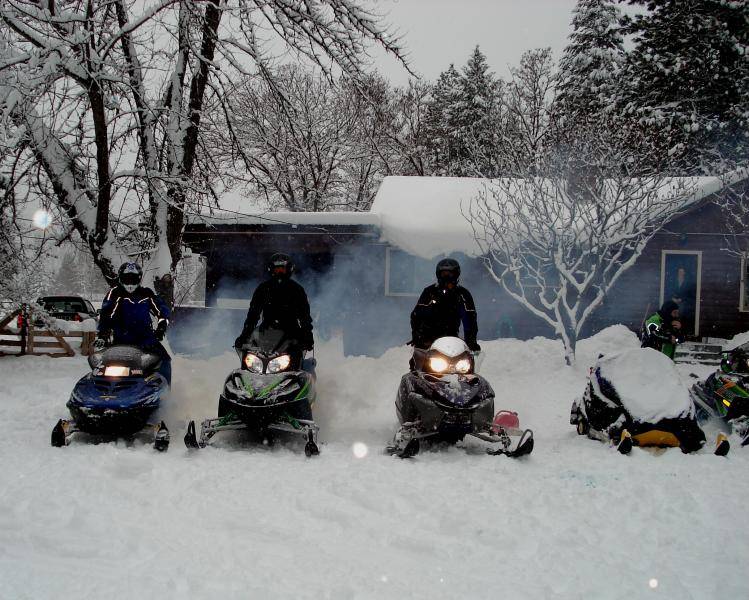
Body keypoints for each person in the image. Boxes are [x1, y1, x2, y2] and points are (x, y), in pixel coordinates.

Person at [96, 262, 171, 382]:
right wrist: (102, 335)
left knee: (164, 360)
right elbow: (106, 315)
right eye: (127, 278)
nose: (130, 282)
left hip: (147, 339)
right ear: (121, 278)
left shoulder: (146, 293)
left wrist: (161, 327)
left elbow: (162, 309)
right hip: (121, 341)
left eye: (133, 278)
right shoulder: (114, 294)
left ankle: (166, 390)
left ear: (139, 278)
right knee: (105, 366)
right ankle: (104, 392)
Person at [234, 253, 314, 365]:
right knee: (249, 356)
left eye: (282, 270)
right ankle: (247, 375)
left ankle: (296, 377)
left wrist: (307, 336)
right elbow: (253, 315)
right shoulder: (263, 289)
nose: (280, 273)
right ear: (271, 270)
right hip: (266, 332)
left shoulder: (296, 290)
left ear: (289, 270)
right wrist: (244, 335)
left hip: (291, 333)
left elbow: (304, 316)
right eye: (277, 270)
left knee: (296, 359)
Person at [410, 258, 480, 353]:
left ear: (456, 274)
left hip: (452, 342)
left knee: (466, 365)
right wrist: (417, 336)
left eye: (450, 274)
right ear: (439, 274)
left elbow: (470, 319)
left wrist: (471, 341)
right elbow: (417, 316)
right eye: (444, 274)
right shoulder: (429, 292)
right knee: (417, 363)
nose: (447, 277)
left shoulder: (463, 294)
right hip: (427, 342)